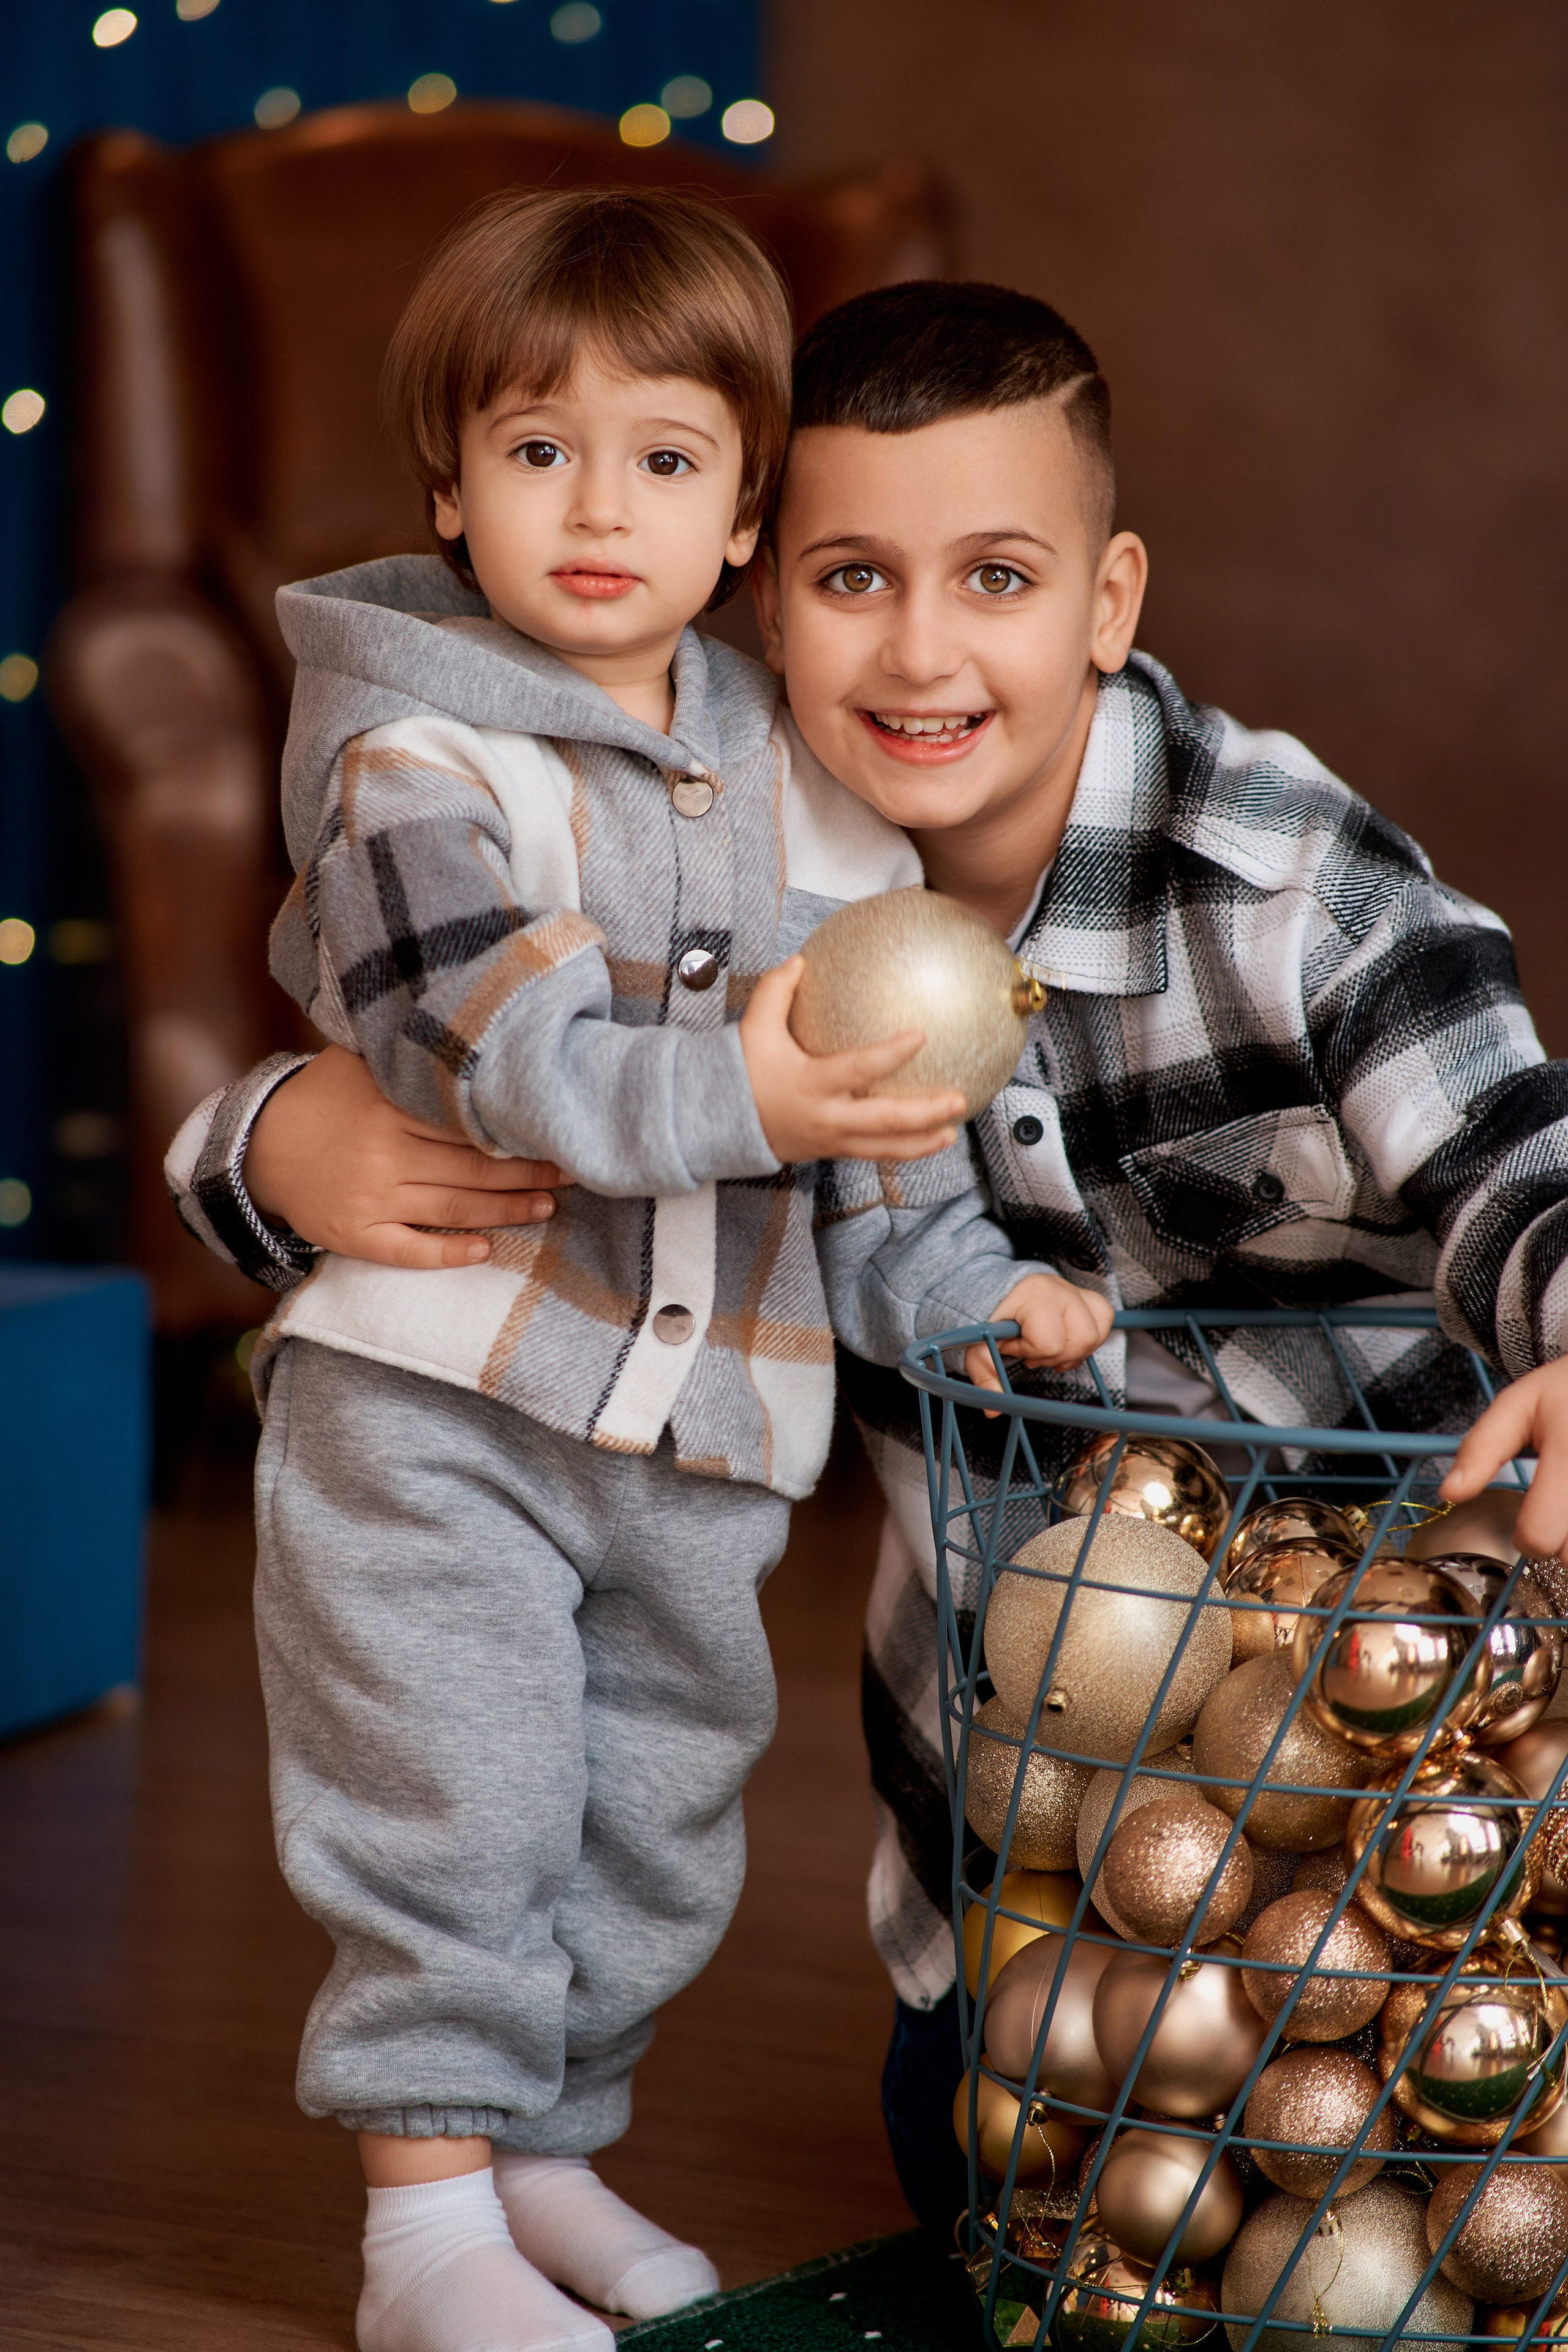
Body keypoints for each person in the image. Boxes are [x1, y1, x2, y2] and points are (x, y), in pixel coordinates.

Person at [170, 277, 1568, 2245]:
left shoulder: (1291, 894)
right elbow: (512, 1050)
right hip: (1039, 1862)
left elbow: (1528, 1161)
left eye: (998, 577)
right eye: (850, 579)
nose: (922, 651)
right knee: (1017, 2187)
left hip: (1406, 1778)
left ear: (1107, 598)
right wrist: (257, 1143)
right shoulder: (741, 866)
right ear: (758, 588)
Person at [169, 195, 1106, 2352]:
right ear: (449, 490)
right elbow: (500, 1056)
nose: (604, 510)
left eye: (669, 462)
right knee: (457, 1801)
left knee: (648, 1830)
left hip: (696, 1433)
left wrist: (967, 1288)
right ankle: (426, 2231)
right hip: (441, 1398)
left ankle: (546, 2165)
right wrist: (750, 1096)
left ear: (748, 507)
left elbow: (885, 1150)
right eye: (537, 454)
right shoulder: (418, 761)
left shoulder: (833, 808)